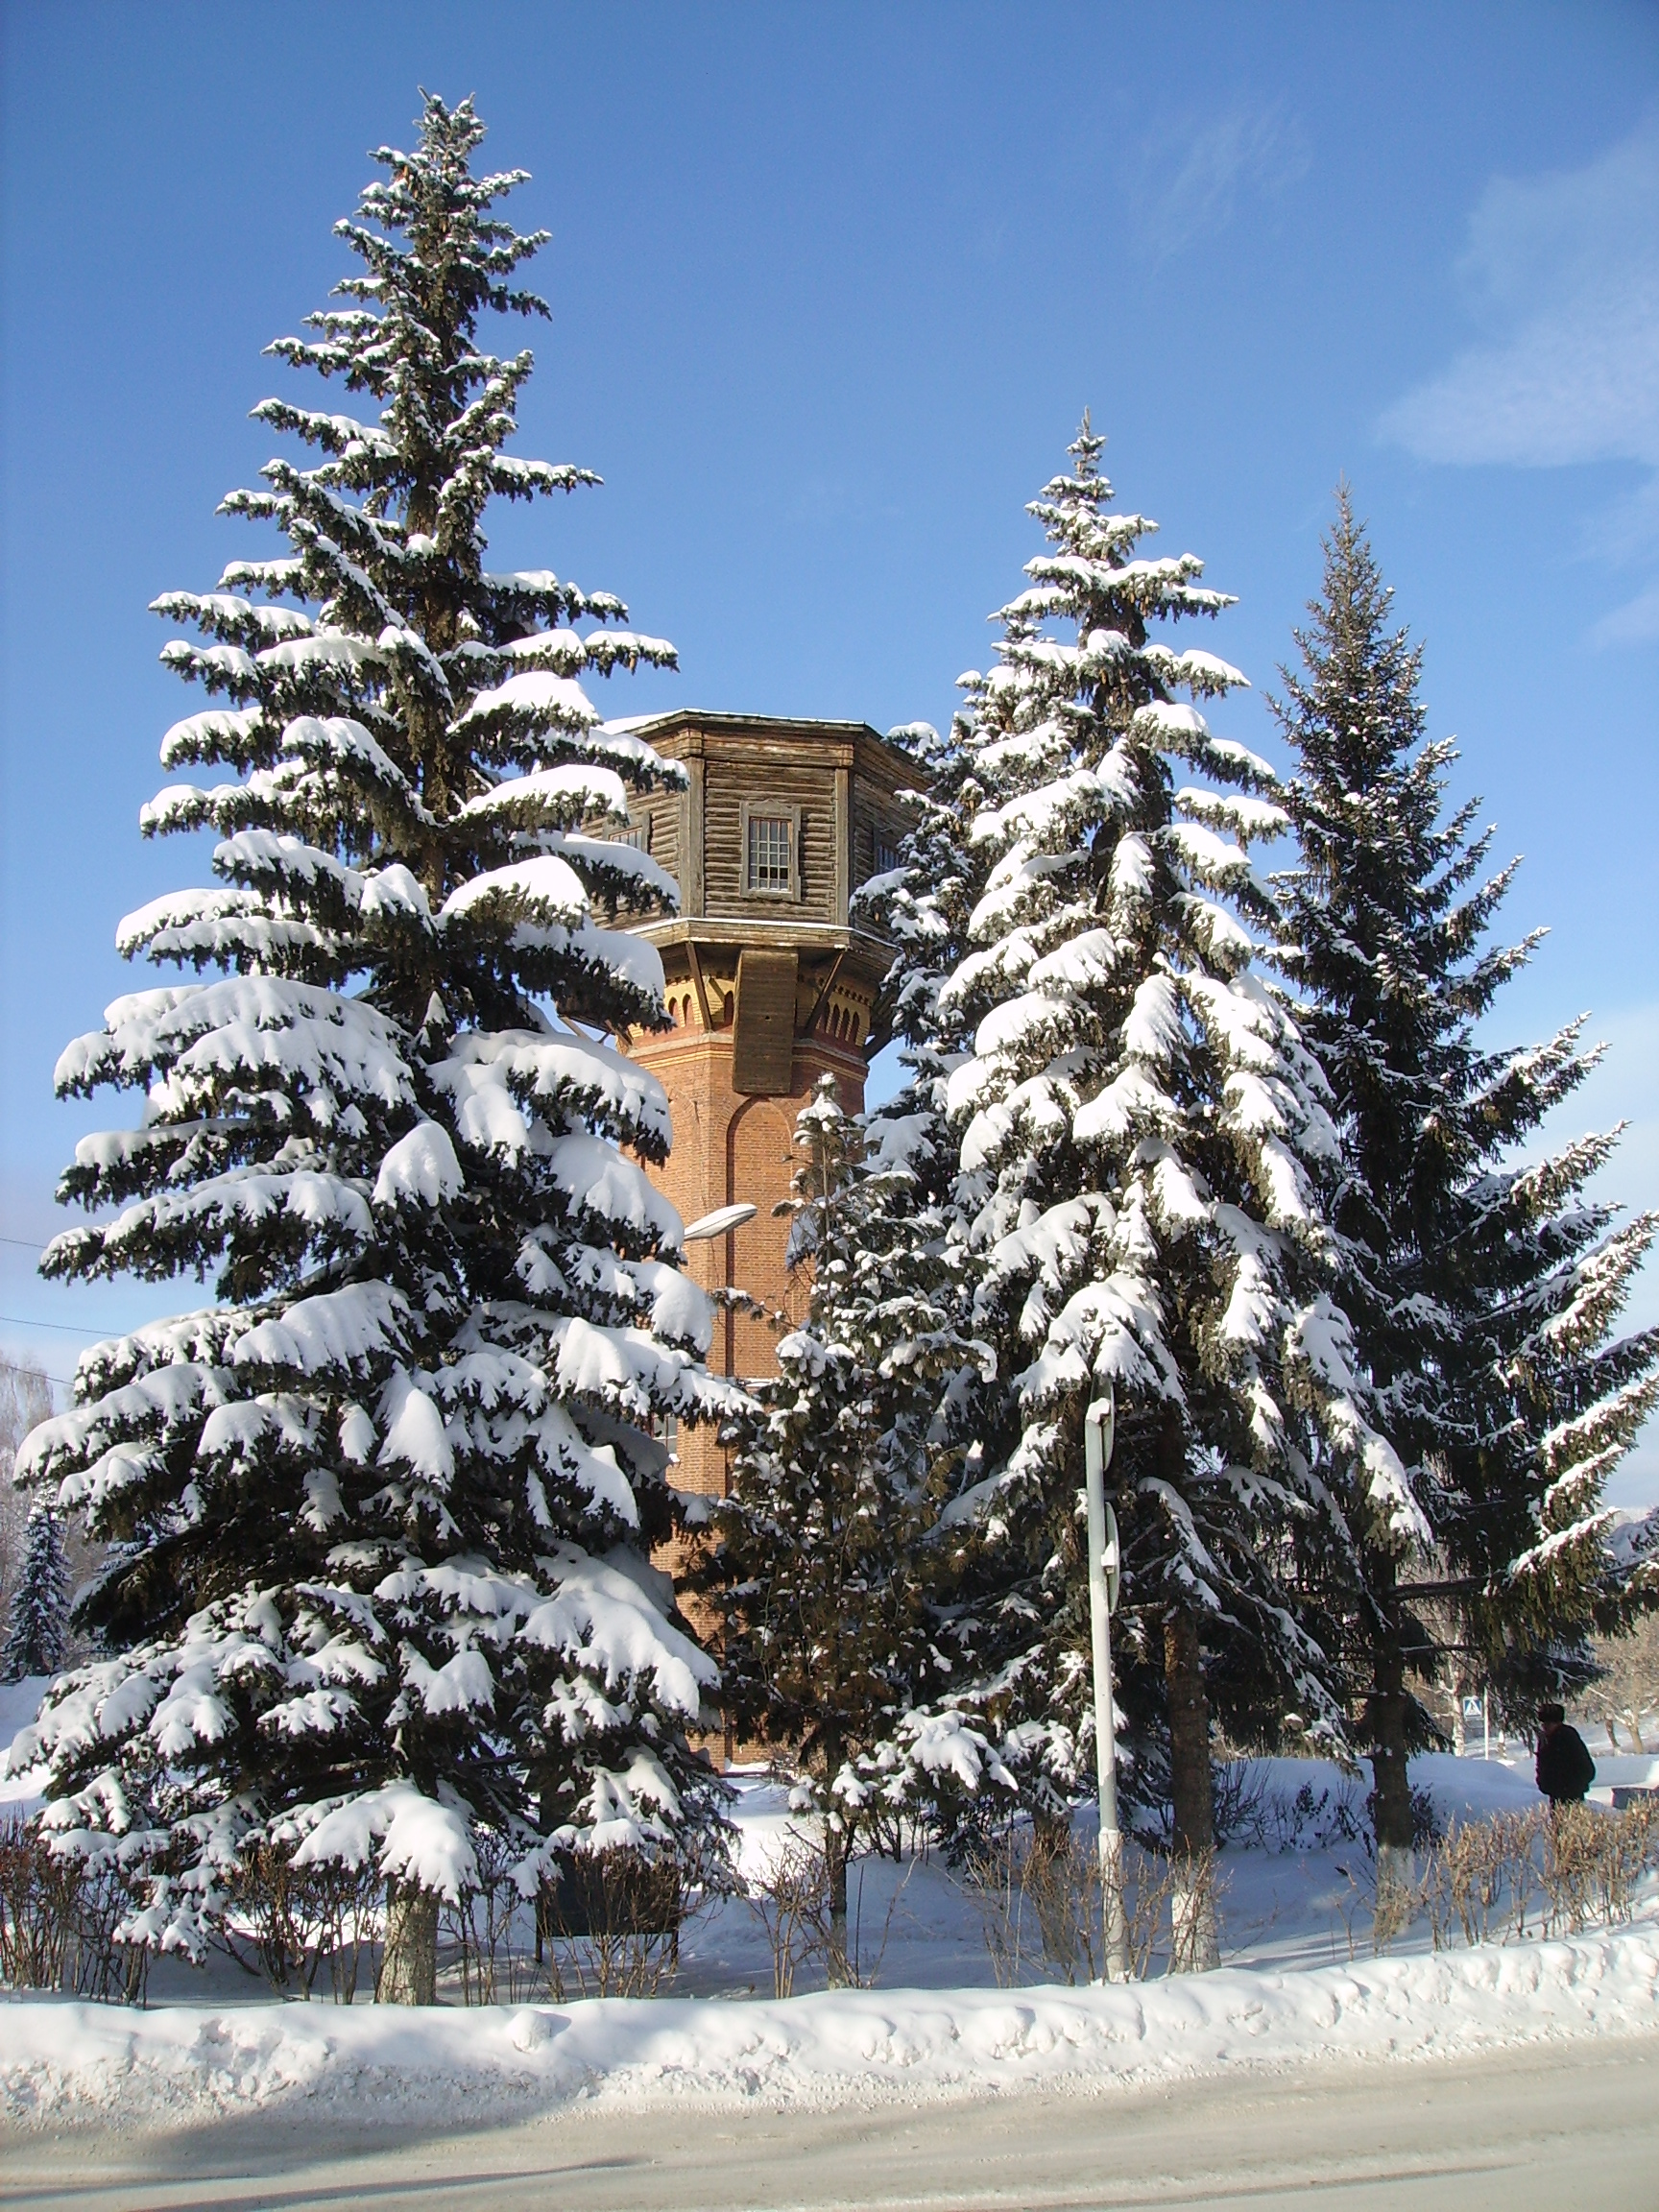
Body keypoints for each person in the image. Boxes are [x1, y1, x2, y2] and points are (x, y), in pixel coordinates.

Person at [1534, 1703, 1596, 1804]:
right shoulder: (1545, 1740)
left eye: (1549, 1724)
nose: (1545, 1727)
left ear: (1557, 1723)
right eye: (1543, 1724)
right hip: (1554, 1794)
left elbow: (1586, 1768)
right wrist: (1543, 1782)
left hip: (1571, 1795)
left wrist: (1571, 1787)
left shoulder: (1568, 1737)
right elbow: (1542, 1765)